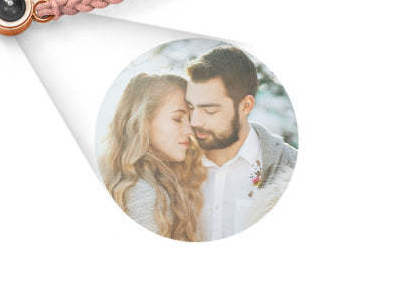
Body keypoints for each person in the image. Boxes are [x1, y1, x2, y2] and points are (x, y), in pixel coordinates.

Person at [185, 46, 297, 240]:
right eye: (190, 108)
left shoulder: (290, 168)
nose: (195, 121)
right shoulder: (169, 167)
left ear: (246, 106)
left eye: (209, 110)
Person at [99, 74, 206, 241]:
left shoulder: (164, 179)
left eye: (190, 120)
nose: (189, 130)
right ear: (143, 122)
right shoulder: (145, 194)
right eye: (177, 119)